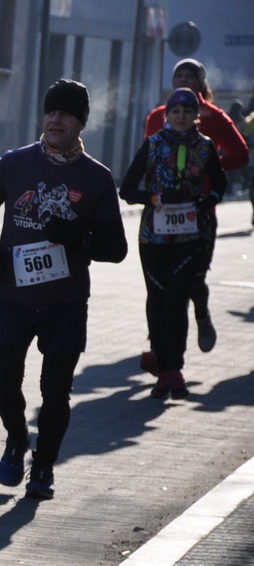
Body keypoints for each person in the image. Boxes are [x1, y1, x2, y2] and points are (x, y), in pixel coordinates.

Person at [0, 79, 127, 500]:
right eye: (51, 112)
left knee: (55, 392)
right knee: (4, 385)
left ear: (81, 123)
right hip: (12, 298)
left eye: (66, 114)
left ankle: (43, 466)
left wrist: (79, 239)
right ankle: (17, 438)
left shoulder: (97, 178)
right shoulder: (14, 163)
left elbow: (116, 249)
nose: (56, 120)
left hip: (65, 304)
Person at [121, 88, 227, 400]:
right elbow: (127, 189)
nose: (181, 116)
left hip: (191, 237)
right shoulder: (153, 145)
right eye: (175, 111)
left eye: (187, 111)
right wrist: (154, 198)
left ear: (196, 115)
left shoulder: (205, 146)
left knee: (176, 301)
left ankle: (175, 369)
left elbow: (220, 184)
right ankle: (163, 370)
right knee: (158, 301)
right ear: (166, 115)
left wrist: (206, 201)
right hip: (153, 237)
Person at [141, 58, 248, 360]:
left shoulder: (214, 116)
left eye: (191, 76)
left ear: (201, 84)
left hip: (199, 213)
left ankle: (201, 312)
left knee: (193, 280)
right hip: (161, 213)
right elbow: (146, 160)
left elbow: (240, 154)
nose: (184, 80)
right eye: (179, 75)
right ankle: (160, 343)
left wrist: (206, 168)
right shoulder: (156, 116)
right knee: (160, 283)